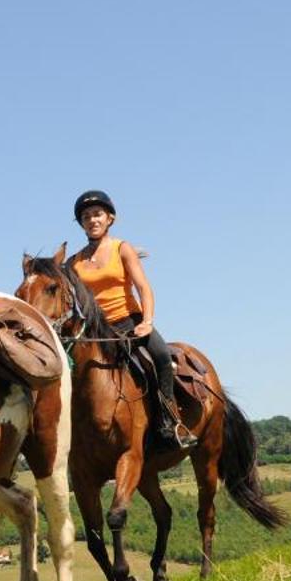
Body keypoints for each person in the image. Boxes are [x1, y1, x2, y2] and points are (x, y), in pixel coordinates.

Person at [70, 189, 197, 449]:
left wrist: (146, 322)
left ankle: (169, 422)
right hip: (97, 331)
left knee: (161, 356)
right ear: (81, 224)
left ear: (110, 218)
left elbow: (144, 288)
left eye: (97, 214)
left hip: (130, 321)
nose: (92, 220)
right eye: (86, 217)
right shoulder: (74, 262)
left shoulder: (121, 248)